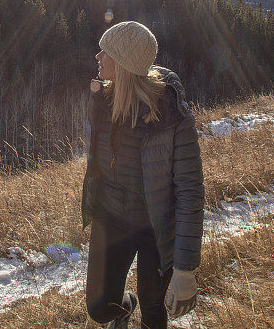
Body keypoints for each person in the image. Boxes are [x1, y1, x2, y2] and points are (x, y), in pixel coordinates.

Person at [81, 20, 205, 329]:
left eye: (104, 52)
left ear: (122, 63)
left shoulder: (172, 115)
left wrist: (185, 270)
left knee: (153, 307)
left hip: (156, 226)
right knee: (99, 309)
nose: (97, 57)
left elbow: (191, 191)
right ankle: (123, 311)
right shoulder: (101, 102)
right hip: (111, 218)